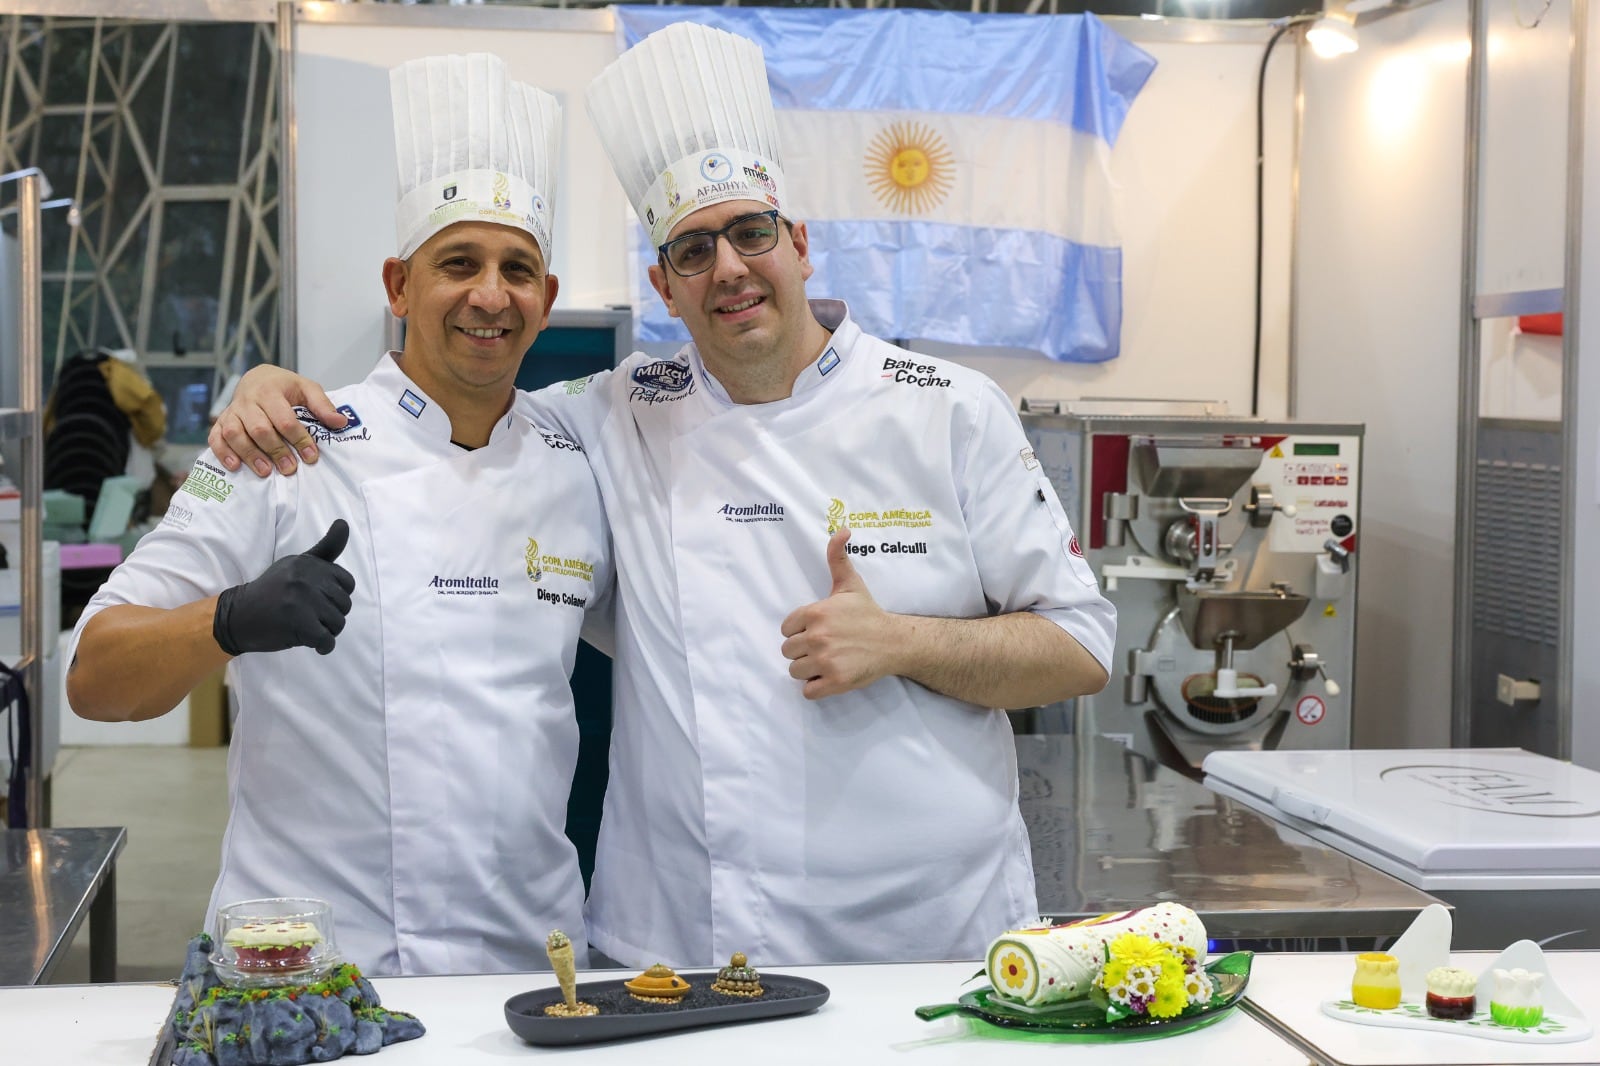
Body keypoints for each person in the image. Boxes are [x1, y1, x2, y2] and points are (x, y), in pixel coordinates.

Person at [207, 23, 1114, 968]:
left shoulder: (950, 408)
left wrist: (903, 643)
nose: (729, 268)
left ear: (801, 244)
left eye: (751, 232)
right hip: (682, 946)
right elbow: (456, 403)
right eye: (691, 249)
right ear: (663, 286)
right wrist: (269, 390)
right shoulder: (619, 413)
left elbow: (1082, 647)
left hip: (928, 938)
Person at [67, 54, 612, 976]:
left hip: (524, 968)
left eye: (517, 269)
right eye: (458, 264)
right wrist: (228, 621)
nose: (490, 295)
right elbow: (94, 677)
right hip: (307, 969)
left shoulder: (580, 461)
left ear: (546, 299)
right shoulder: (279, 445)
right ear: (398, 285)